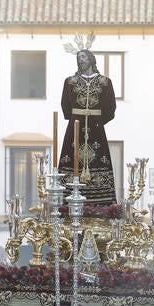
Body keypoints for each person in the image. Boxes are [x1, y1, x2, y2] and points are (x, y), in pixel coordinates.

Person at [58, 49, 116, 204]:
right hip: (75, 128)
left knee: (99, 159)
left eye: (83, 57)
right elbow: (65, 105)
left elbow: (111, 107)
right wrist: (74, 119)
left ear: (91, 59)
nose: (81, 60)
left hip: (97, 128)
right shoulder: (70, 81)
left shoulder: (105, 82)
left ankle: (101, 200)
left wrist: (97, 121)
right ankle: (67, 200)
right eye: (79, 58)